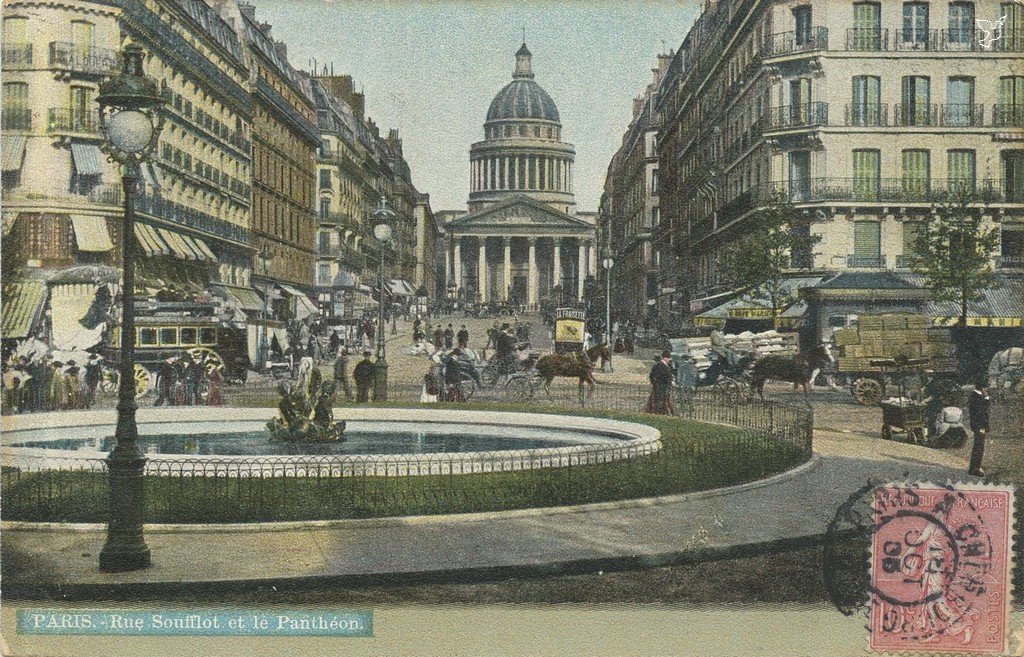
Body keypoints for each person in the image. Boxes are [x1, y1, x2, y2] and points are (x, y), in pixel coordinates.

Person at [967, 380, 990, 476]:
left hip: (979, 426)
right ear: (983, 388)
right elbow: (981, 413)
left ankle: (976, 466)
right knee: (978, 447)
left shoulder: (976, 396)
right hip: (980, 426)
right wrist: (982, 427)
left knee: (979, 447)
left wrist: (986, 397)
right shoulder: (977, 398)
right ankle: (974, 469)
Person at [646, 350, 675, 415]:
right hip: (661, 387)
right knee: (660, 401)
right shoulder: (659, 365)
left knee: (664, 400)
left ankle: (667, 413)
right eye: (668, 358)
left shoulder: (665, 365)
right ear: (666, 358)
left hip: (663, 387)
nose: (669, 360)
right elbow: (652, 376)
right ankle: (661, 413)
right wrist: (656, 384)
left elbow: (652, 376)